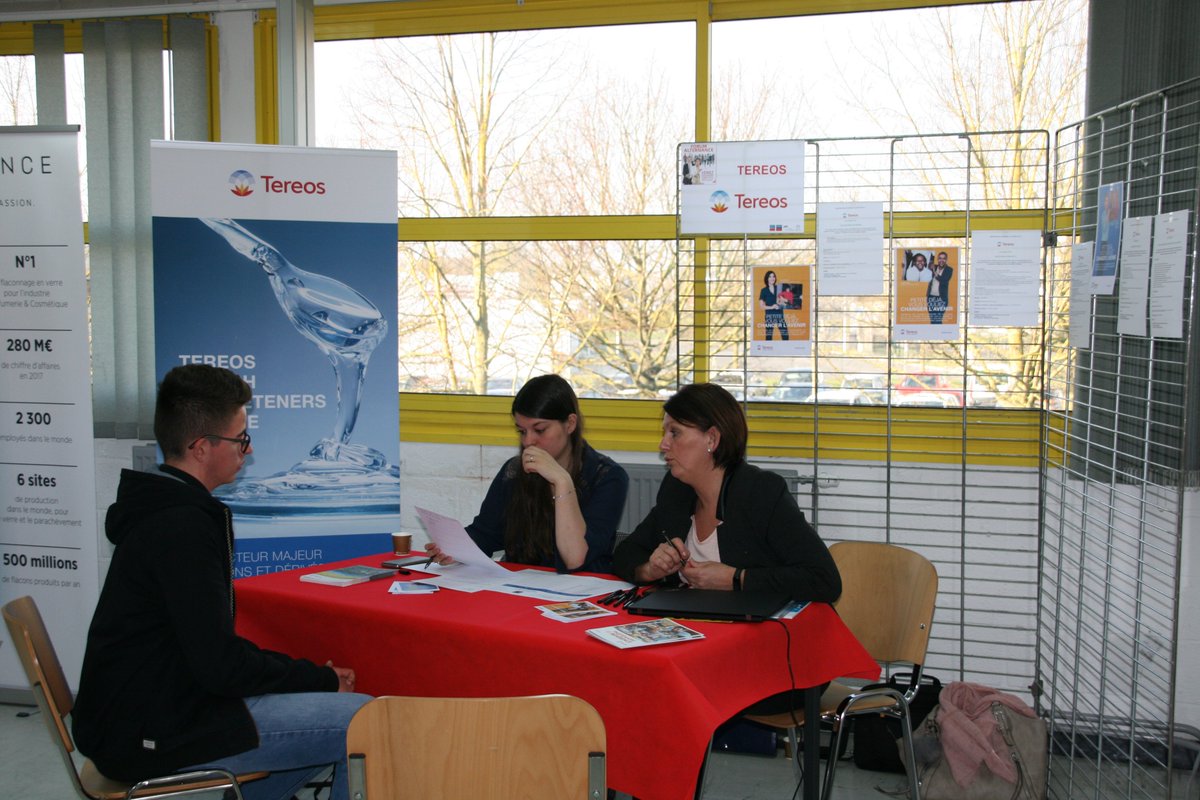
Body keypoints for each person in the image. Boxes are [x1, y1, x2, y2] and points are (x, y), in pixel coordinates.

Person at [72, 364, 370, 800]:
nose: (247, 451)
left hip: (142, 709)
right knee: (361, 721)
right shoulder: (181, 529)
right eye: (240, 439)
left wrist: (304, 680)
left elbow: (213, 656)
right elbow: (221, 666)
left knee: (318, 714)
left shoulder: (163, 507)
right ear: (200, 447)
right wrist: (318, 681)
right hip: (147, 730)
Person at [612, 382, 840, 602]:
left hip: (756, 633)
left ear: (712, 439)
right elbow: (626, 552)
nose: (663, 444)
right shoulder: (677, 490)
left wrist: (736, 579)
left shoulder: (760, 492)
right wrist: (650, 569)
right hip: (692, 626)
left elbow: (823, 579)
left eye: (675, 433)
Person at [425, 374, 629, 573]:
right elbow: (485, 534)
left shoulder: (608, 477)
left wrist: (561, 481)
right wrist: (454, 549)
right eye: (522, 431)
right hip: (520, 587)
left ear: (570, 424)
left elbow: (576, 559)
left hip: (585, 590)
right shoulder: (513, 471)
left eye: (539, 430)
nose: (528, 441)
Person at [758, 270, 789, 341]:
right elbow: (761, 306)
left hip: (779, 315)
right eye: (770, 277)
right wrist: (771, 307)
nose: (772, 278)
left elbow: (784, 302)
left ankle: (786, 351)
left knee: (785, 336)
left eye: (773, 276)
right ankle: (768, 352)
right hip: (769, 316)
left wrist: (784, 302)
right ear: (767, 279)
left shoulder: (779, 288)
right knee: (768, 337)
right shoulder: (764, 290)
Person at [927, 250, 953, 324]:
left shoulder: (949, 270)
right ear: (937, 259)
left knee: (937, 319)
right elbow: (926, 265)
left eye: (943, 258)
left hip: (941, 298)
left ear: (946, 260)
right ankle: (933, 335)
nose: (941, 260)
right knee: (932, 320)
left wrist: (934, 271)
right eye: (940, 258)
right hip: (931, 297)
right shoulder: (933, 267)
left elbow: (943, 280)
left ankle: (938, 335)